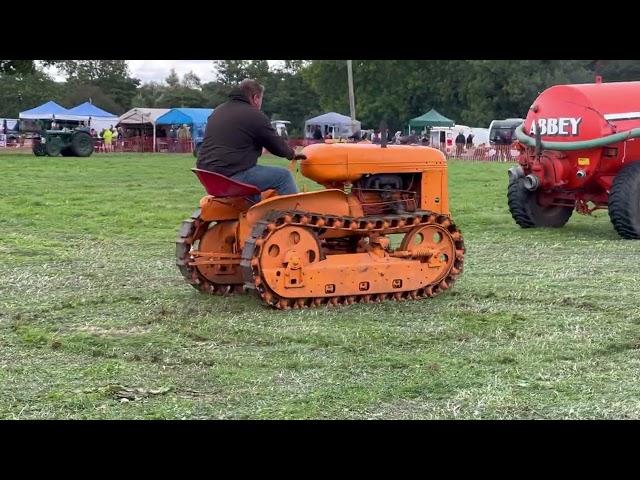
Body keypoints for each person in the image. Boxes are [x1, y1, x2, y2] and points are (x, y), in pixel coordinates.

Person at [196, 78, 300, 202]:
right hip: (231, 176)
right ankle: (294, 216)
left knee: (252, 185)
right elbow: (275, 144)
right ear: (255, 97)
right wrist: (292, 154)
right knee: (283, 176)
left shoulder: (218, 110)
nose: (261, 104)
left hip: (208, 176)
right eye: (261, 100)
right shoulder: (254, 115)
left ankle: (254, 216)